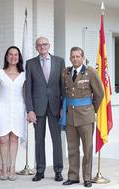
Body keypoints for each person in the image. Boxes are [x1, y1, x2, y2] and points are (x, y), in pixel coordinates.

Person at [61, 47, 104, 187]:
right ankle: (73, 176)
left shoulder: (90, 72)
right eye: (72, 57)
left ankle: (87, 178)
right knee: (72, 148)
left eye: (78, 56)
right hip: (70, 117)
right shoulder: (65, 72)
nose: (75, 59)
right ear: (70, 58)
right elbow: (64, 93)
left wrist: (92, 109)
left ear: (83, 57)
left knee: (87, 148)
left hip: (86, 116)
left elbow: (99, 94)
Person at [25, 36, 65, 182]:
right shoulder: (30, 64)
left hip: (55, 107)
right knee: (39, 140)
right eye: (39, 45)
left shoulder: (59, 61)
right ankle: (40, 170)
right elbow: (28, 88)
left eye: (45, 44)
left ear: (49, 46)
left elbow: (63, 86)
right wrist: (30, 109)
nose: (42, 47)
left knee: (57, 140)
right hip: (37, 108)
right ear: (36, 47)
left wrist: (63, 106)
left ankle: (58, 170)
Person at [0, 46, 26, 181]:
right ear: (6, 57)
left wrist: (28, 111)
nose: (13, 57)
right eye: (10, 54)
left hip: (18, 109)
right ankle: (4, 168)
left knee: (14, 138)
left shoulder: (24, 75)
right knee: (3, 139)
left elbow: (25, 94)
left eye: (16, 55)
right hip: (3, 109)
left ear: (19, 57)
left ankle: (13, 168)